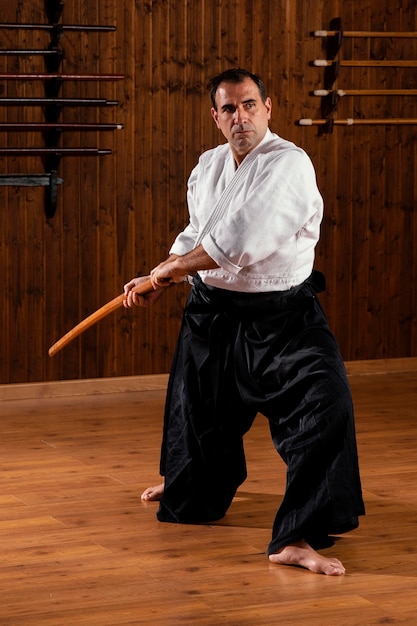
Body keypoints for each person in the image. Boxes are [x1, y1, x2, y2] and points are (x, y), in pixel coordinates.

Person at [123, 68, 365, 576]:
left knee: (326, 406)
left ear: (268, 108)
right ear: (216, 117)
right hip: (213, 312)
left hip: (283, 319)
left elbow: (239, 242)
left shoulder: (289, 165)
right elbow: (198, 231)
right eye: (229, 108)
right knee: (196, 409)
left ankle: (296, 535)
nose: (241, 117)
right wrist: (158, 273)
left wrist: (166, 272)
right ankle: (188, 482)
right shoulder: (209, 166)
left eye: (250, 104)